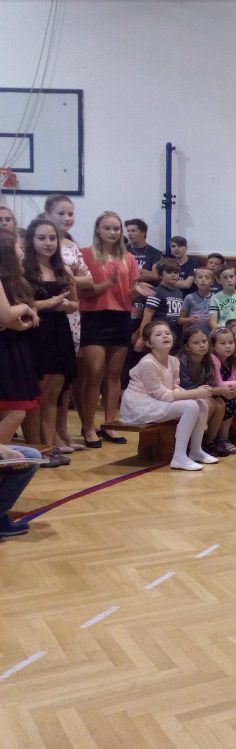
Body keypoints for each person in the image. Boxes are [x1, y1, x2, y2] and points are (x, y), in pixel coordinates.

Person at [77, 211, 144, 447]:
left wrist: (138, 291)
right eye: (107, 228)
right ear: (98, 229)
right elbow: (81, 290)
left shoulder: (128, 258)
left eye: (116, 228)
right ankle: (88, 427)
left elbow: (128, 294)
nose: (113, 232)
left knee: (114, 374)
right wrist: (106, 284)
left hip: (121, 316)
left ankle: (110, 424)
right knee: (94, 373)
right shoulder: (85, 254)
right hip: (94, 315)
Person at [120, 320, 218, 471]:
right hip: (140, 404)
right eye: (158, 334)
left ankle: (196, 450)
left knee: (201, 403)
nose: (165, 336)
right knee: (190, 406)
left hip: (157, 401)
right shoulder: (148, 363)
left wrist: (194, 395)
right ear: (149, 343)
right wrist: (193, 392)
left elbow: (174, 387)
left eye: (167, 333)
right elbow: (161, 395)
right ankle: (179, 457)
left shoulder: (173, 361)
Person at [22, 218, 78, 468]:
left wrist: (65, 305)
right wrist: (51, 303)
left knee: (53, 394)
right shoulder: (24, 268)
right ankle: (36, 447)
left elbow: (75, 304)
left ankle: (49, 443)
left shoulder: (62, 269)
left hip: (59, 331)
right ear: (31, 240)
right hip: (35, 332)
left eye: (52, 238)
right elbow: (21, 305)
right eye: (42, 238)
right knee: (37, 393)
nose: (48, 243)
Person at [0, 229, 43, 535]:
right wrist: (26, 309)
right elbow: (7, 317)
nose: (22, 252)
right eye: (18, 247)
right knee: (15, 410)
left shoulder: (14, 280)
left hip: (14, 347)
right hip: (6, 352)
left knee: (14, 410)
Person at [44, 194, 92, 453]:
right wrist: (71, 277)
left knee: (65, 378)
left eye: (70, 213)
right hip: (50, 315)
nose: (67, 218)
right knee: (50, 380)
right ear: (48, 215)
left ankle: (63, 431)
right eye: (61, 213)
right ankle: (48, 435)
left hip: (72, 316)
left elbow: (88, 280)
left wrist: (69, 277)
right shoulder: (43, 244)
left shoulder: (71, 246)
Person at [177, 326, 234, 456]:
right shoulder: (181, 361)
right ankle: (189, 444)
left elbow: (209, 383)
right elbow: (186, 387)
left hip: (201, 393)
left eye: (204, 341)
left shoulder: (208, 360)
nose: (202, 345)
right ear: (186, 347)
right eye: (196, 343)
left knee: (220, 404)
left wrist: (217, 391)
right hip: (183, 395)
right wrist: (218, 391)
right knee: (209, 403)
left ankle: (208, 442)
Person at [136, 258, 184, 350]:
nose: (173, 275)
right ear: (160, 275)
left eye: (176, 272)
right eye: (169, 272)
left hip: (176, 334)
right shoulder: (157, 292)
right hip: (159, 335)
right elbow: (147, 315)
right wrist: (142, 338)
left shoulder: (179, 292)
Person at [179, 267, 215, 331]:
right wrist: (189, 319)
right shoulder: (189, 298)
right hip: (193, 333)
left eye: (207, 278)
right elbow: (179, 320)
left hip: (210, 334)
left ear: (212, 282)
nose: (203, 280)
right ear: (195, 281)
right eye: (200, 277)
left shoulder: (216, 298)